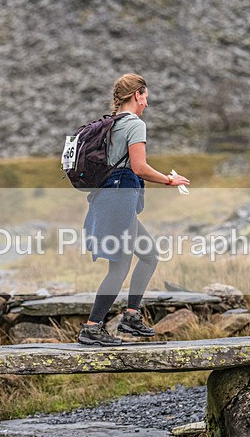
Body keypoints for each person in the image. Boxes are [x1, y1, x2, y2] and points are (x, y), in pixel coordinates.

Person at [78, 73, 191, 346]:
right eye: (146, 98)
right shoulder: (134, 124)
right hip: (119, 198)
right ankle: (92, 328)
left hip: (109, 197)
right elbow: (139, 167)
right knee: (119, 267)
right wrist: (169, 179)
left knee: (149, 255)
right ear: (137, 94)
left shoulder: (111, 124)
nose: (147, 105)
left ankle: (130, 316)